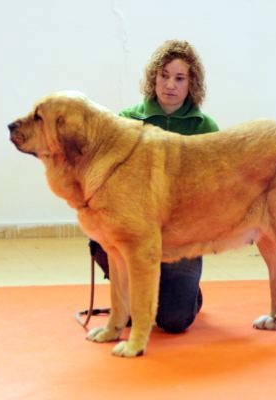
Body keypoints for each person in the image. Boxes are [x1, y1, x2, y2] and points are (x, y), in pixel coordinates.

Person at [89, 39, 219, 333]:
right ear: (153, 78)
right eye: (163, 76)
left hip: (180, 238)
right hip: (134, 230)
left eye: (179, 78)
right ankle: (136, 297)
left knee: (173, 321)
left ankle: (187, 295)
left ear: (191, 83)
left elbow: (215, 187)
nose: (169, 85)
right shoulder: (126, 120)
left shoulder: (205, 127)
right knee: (102, 242)